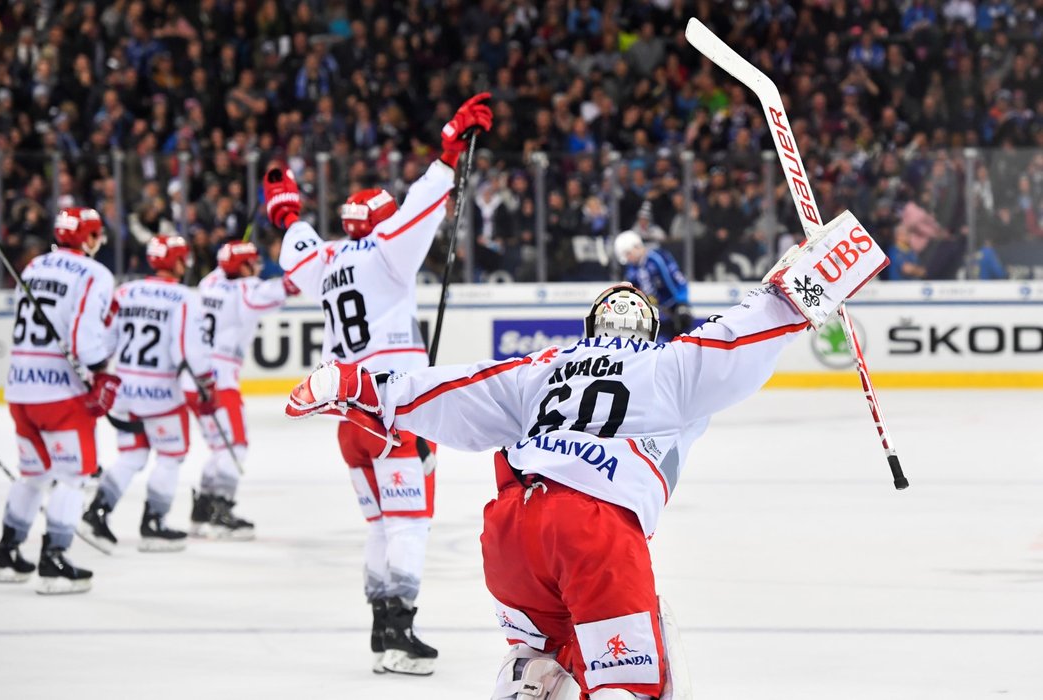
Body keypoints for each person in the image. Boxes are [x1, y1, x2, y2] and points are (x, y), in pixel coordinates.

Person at [284, 221, 889, 699]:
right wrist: (829, 266)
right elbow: (752, 324)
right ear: (648, 327)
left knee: (537, 662)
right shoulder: (668, 365)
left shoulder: (542, 366)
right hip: (596, 528)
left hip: (512, 532)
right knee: (632, 679)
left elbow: (454, 391)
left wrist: (361, 385)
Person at [265, 93, 493, 676]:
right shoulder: (386, 254)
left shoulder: (329, 259)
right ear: (380, 223)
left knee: (378, 524)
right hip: (392, 411)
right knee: (409, 522)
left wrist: (287, 212)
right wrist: (448, 157)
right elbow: (420, 212)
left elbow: (297, 251)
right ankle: (401, 630)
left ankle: (379, 627)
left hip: (348, 416)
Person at [0, 207, 119, 594]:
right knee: (72, 476)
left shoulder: (32, 268)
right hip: (61, 394)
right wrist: (100, 371)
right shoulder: (94, 273)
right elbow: (83, 339)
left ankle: (7, 553)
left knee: (33, 474)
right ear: (88, 237)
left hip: (20, 388)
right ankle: (54, 559)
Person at [78, 235, 216, 554]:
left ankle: (96, 513)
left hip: (124, 390)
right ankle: (154, 522)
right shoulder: (183, 296)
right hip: (161, 394)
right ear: (177, 262)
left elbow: (105, 341)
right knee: (170, 456)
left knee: (132, 455)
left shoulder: (124, 291)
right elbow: (187, 349)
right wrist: (207, 385)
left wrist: (94, 377)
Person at [183, 241, 296, 540]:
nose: (257, 268)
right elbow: (288, 286)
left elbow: (226, 270)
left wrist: (233, 258)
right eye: (252, 263)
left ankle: (203, 508)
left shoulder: (209, 283)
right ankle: (222, 511)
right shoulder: (247, 291)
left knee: (220, 448)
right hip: (221, 380)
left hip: (194, 379)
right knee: (236, 446)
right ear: (242, 268)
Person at [614, 230, 694, 339]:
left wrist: (681, 304)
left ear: (636, 246)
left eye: (628, 254)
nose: (628, 259)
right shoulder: (631, 269)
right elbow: (632, 292)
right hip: (655, 317)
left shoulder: (657, 258)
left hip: (675, 312)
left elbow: (678, 280)